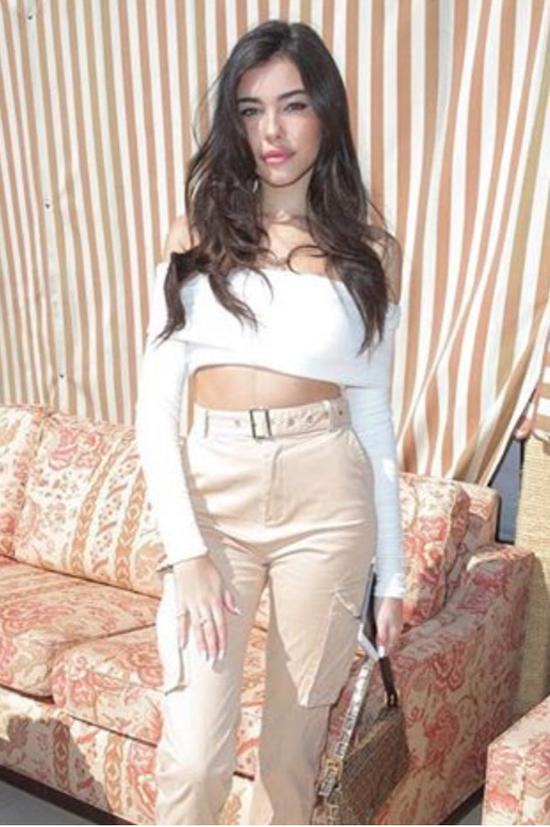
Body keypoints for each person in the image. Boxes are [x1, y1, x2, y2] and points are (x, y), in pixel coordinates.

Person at [135, 18, 406, 826]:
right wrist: (186, 552)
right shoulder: (195, 237)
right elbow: (156, 407)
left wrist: (392, 577)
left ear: (326, 112)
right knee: (194, 756)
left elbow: (374, 417)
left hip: (327, 499)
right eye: (251, 110)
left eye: (292, 105)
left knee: (291, 761)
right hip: (214, 495)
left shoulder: (367, 255)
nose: (272, 131)